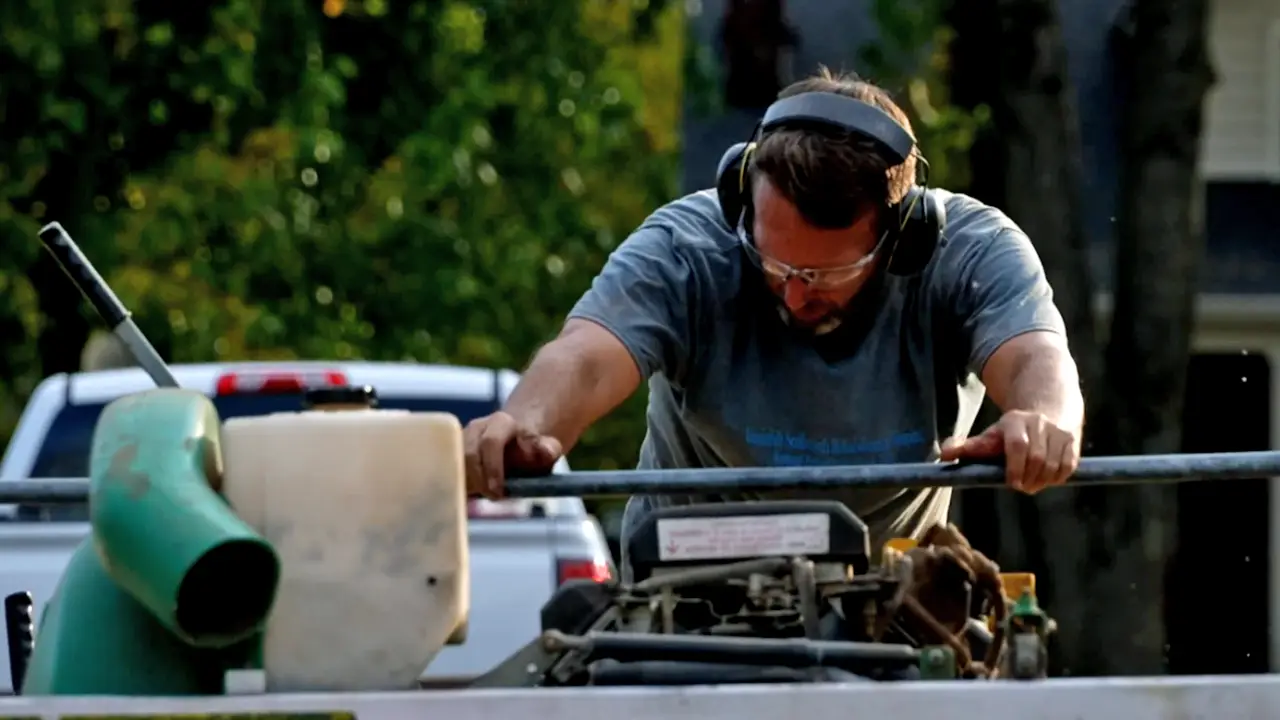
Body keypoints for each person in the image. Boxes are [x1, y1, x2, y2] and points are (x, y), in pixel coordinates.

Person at [462, 68, 1085, 577]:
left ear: (904, 238)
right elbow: (585, 356)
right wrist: (527, 421)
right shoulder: (686, 250)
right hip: (684, 600)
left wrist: (1044, 418)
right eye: (773, 261)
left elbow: (1036, 357)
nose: (793, 293)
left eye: (825, 274)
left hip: (888, 608)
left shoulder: (971, 254)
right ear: (741, 197)